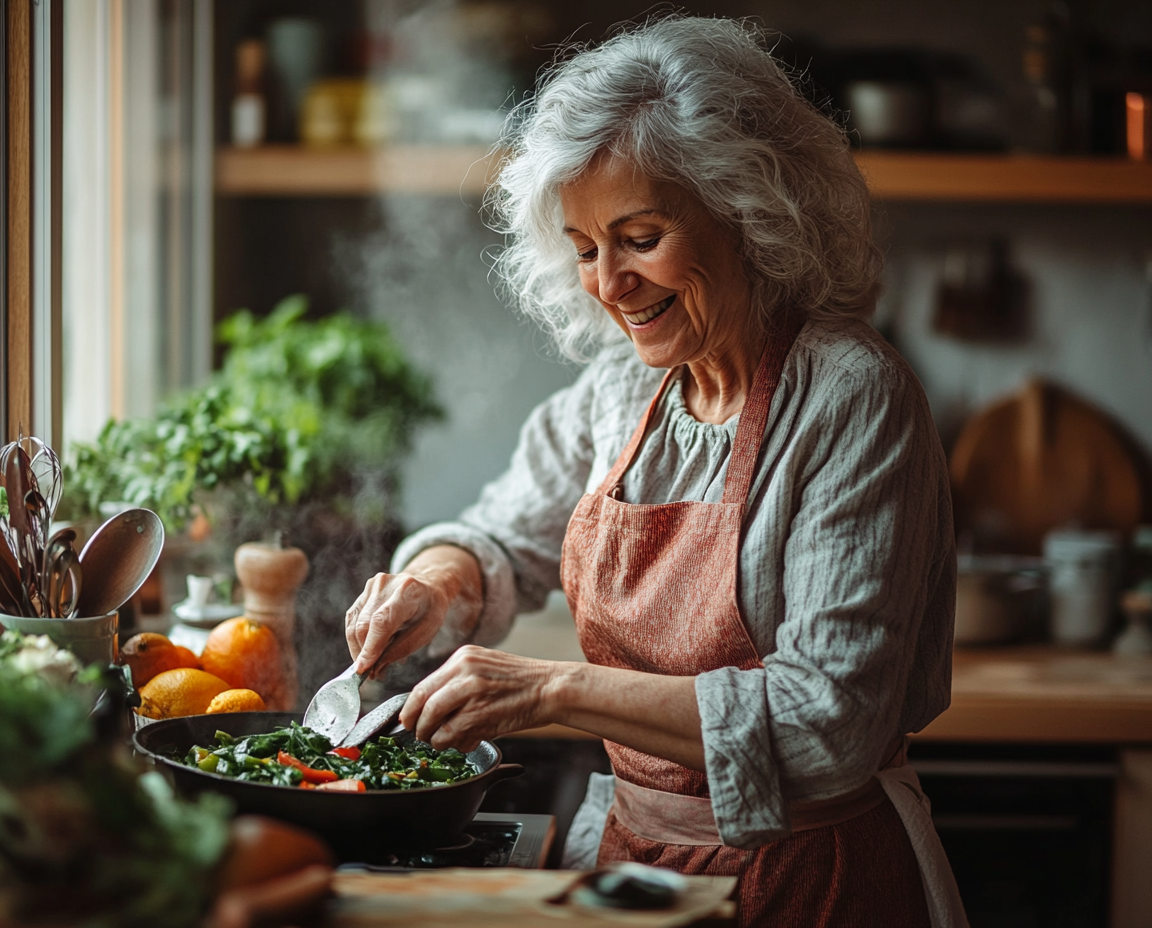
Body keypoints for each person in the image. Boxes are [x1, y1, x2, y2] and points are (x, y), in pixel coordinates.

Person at [345, 16, 965, 928]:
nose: (608, 283)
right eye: (586, 249)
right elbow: (497, 537)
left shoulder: (849, 395)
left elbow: (828, 721)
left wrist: (551, 690)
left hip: (814, 879)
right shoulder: (617, 394)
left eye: (639, 236)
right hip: (639, 876)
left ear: (750, 209)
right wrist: (432, 589)